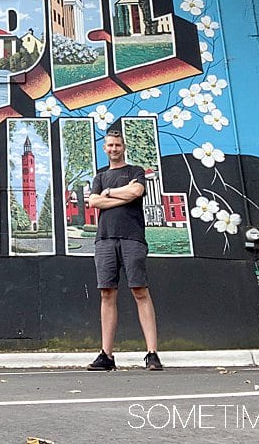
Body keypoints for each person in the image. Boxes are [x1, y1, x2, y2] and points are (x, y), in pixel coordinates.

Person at [85, 126, 163, 372]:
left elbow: (137, 191)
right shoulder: (100, 176)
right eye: (110, 145)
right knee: (107, 294)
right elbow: (93, 201)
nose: (114, 149)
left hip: (133, 238)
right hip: (105, 239)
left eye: (117, 145)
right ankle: (106, 355)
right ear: (105, 148)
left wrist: (109, 194)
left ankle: (152, 353)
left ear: (123, 147)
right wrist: (120, 194)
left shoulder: (135, 171)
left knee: (140, 291)